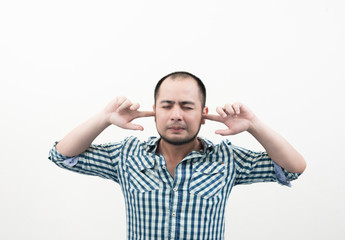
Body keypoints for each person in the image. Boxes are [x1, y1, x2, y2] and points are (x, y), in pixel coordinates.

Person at [49, 71, 306, 240]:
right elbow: (62, 155)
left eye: (187, 106)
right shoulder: (127, 155)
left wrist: (253, 125)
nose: (176, 115)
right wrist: (104, 118)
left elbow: (294, 167)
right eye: (167, 105)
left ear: (203, 114)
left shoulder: (227, 160)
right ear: (155, 111)